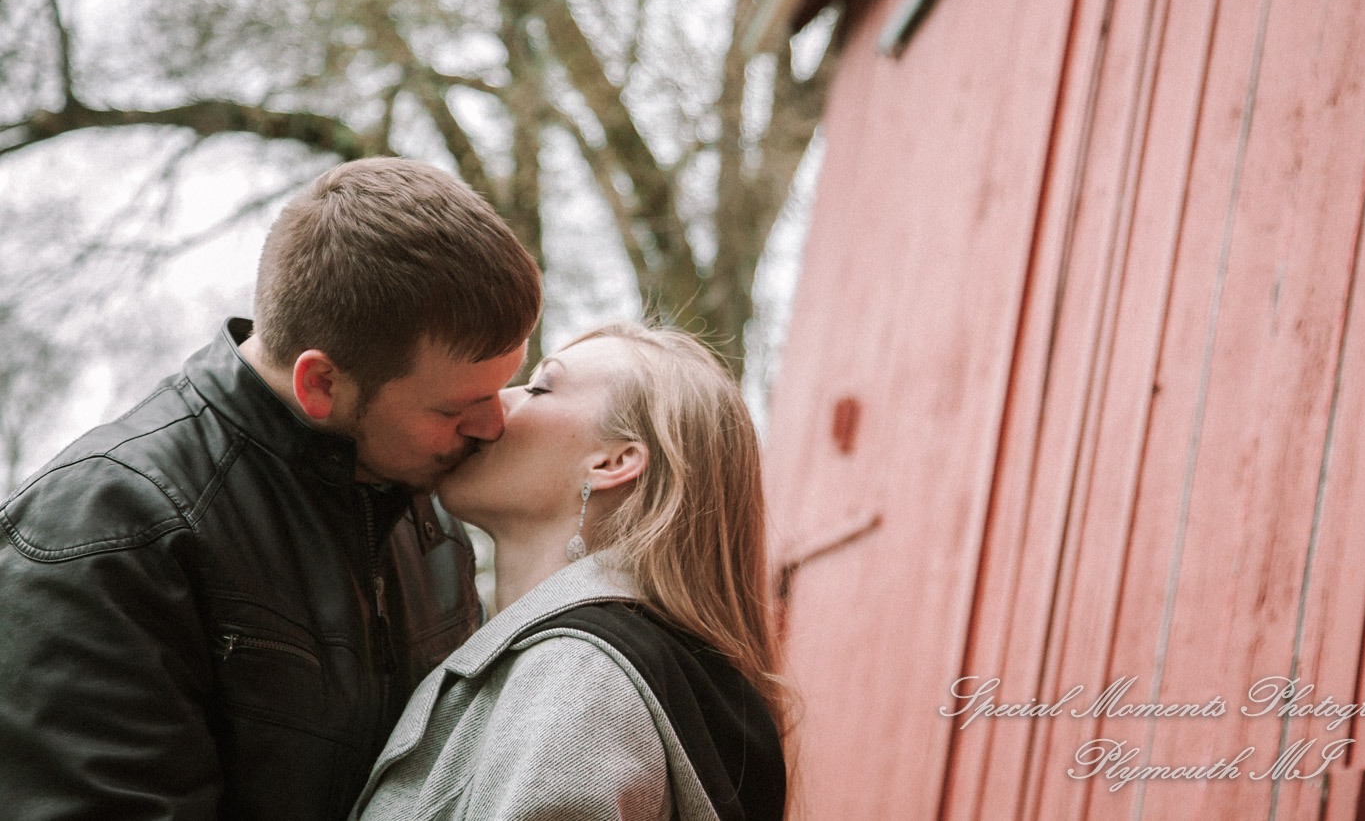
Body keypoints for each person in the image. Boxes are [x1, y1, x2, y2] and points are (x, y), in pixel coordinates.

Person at [0, 157, 542, 820]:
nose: (492, 424)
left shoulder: (425, 508)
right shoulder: (107, 531)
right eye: (455, 407)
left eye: (502, 388)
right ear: (321, 383)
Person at [350, 323, 789, 821]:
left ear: (613, 461)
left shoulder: (578, 673)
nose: (492, 407)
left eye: (539, 388)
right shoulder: (606, 668)